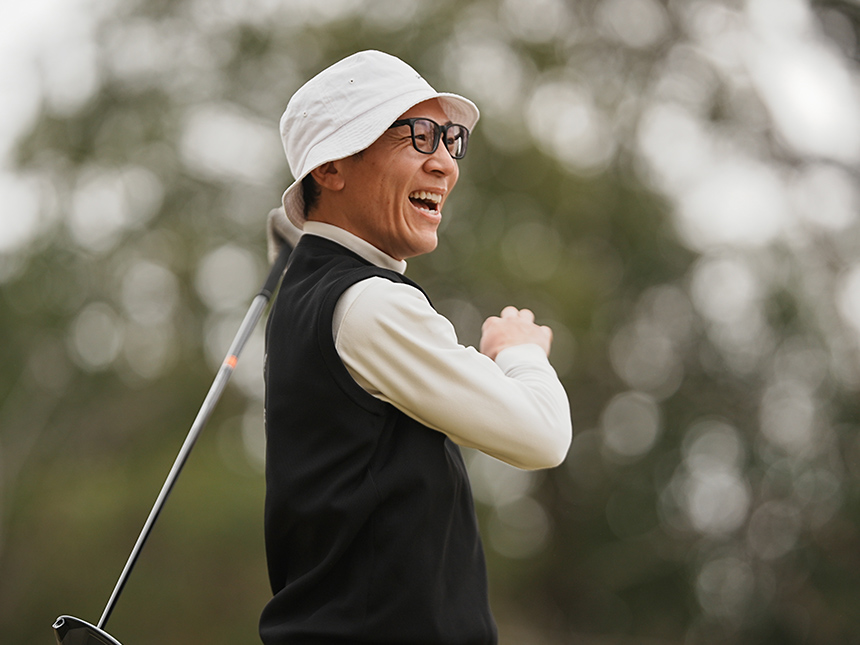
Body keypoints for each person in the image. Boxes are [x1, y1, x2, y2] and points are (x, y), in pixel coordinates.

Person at [262, 50, 572, 645]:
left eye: (450, 140)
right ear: (331, 168)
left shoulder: (319, 295)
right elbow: (544, 436)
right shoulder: (369, 303)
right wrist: (520, 351)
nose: (445, 164)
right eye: (418, 136)